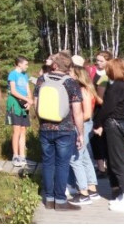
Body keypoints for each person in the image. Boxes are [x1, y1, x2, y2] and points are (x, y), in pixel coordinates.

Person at [34, 51, 85, 211]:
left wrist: (42, 122)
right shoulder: (71, 82)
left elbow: (36, 105)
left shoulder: (42, 79)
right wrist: (81, 133)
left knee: (48, 163)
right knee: (62, 165)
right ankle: (61, 201)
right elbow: (77, 111)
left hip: (45, 128)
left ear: (55, 65)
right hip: (65, 129)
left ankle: (49, 199)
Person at [93, 58, 124, 213]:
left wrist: (97, 123)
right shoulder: (122, 84)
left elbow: (107, 108)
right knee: (116, 160)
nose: (106, 70)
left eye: (108, 68)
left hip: (115, 125)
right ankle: (123, 195)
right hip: (118, 125)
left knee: (118, 161)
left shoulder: (116, 86)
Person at [67, 62, 101, 205]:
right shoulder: (85, 89)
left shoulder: (83, 90)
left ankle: (83, 193)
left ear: (77, 75)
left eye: (70, 73)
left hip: (82, 126)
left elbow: (86, 114)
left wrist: (73, 121)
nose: (68, 74)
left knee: (75, 158)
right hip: (83, 125)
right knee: (85, 157)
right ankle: (92, 188)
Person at [6, 56, 32, 167]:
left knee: (23, 130)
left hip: (24, 105)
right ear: (19, 64)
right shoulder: (13, 74)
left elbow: (28, 89)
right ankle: (15, 155)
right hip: (15, 104)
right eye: (25, 64)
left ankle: (22, 155)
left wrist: (29, 102)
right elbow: (13, 91)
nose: (27, 66)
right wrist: (26, 99)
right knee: (16, 130)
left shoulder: (25, 75)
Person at [90, 50, 112, 175]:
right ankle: (100, 168)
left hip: (107, 108)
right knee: (96, 138)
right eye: (97, 60)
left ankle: (110, 165)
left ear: (108, 61)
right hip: (95, 109)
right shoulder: (92, 73)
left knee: (107, 137)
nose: (98, 63)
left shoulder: (110, 74)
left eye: (101, 61)